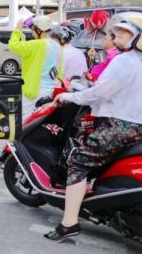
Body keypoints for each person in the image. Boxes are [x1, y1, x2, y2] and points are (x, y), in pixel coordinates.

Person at [45, 16, 142, 242]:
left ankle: (68, 223)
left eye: (124, 31)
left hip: (117, 125)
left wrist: (69, 96)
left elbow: (99, 93)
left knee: (78, 163)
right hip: (135, 126)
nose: (118, 34)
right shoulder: (134, 61)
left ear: (136, 37)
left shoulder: (124, 61)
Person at [8, 16, 62, 120]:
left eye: (33, 30)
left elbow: (13, 45)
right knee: (39, 120)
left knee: (25, 120)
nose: (32, 33)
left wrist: (17, 30)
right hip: (50, 90)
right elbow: (60, 70)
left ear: (39, 30)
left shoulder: (36, 44)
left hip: (33, 91)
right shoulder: (58, 46)